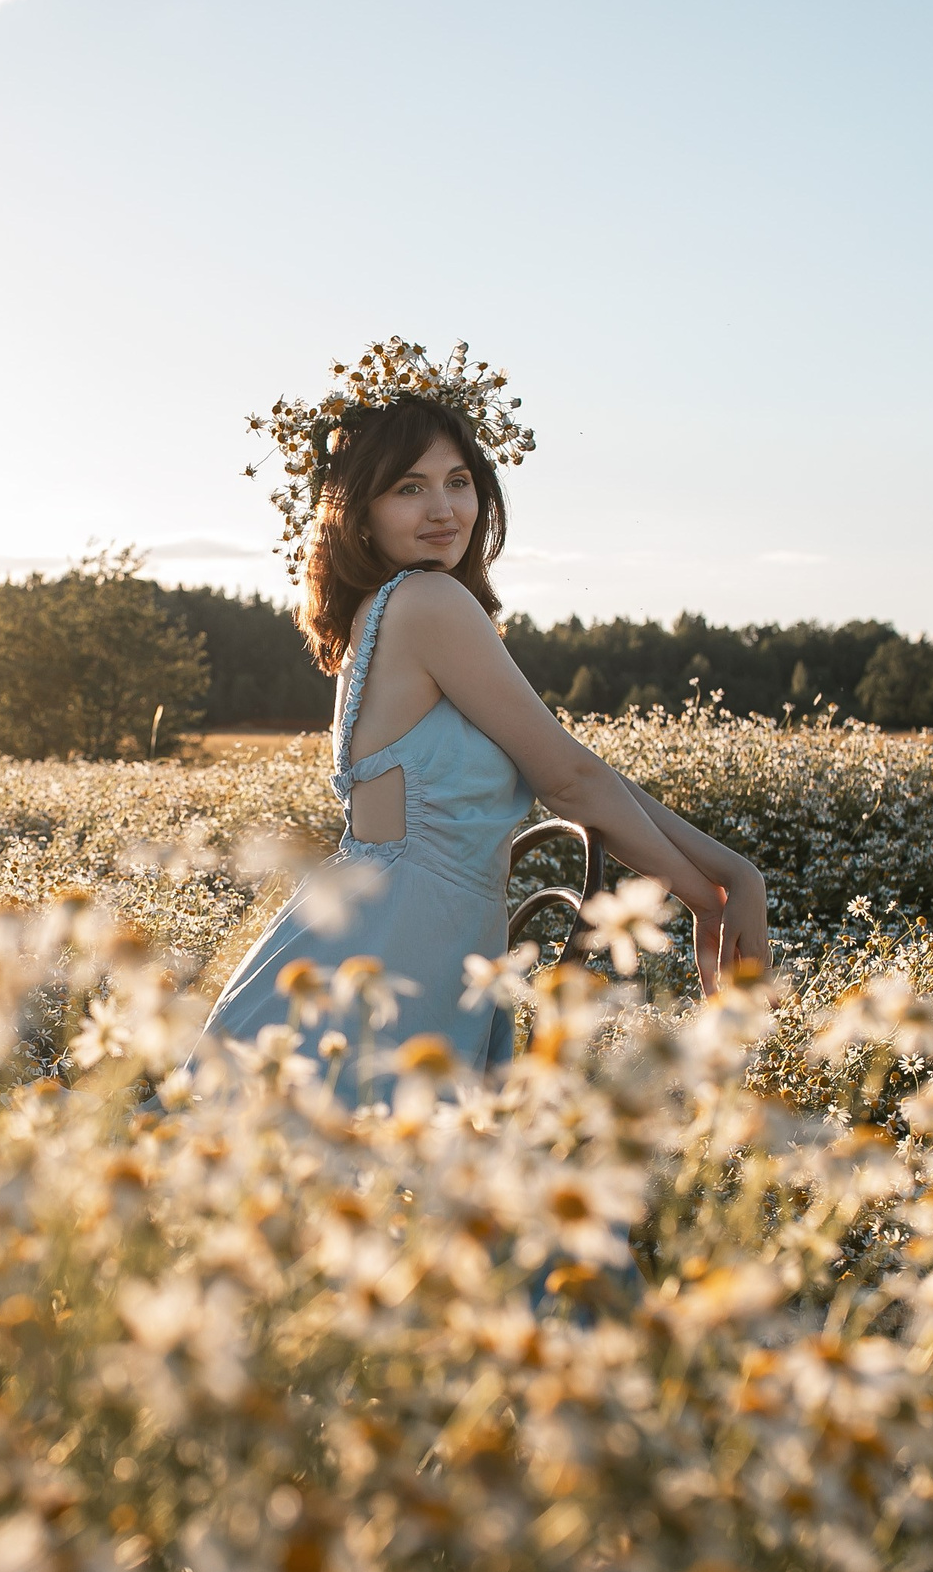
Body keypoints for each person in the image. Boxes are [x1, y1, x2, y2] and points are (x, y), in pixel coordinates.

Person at [195, 344, 768, 1081]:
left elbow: (582, 772)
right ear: (360, 515)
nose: (444, 508)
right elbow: (566, 778)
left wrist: (730, 873)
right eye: (410, 487)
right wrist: (708, 895)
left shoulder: (389, 608)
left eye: (458, 481)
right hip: (395, 953)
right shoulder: (429, 603)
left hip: (392, 942)